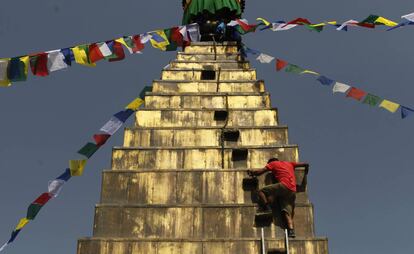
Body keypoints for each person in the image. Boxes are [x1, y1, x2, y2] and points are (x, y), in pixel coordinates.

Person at [247, 158, 309, 238]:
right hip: (292, 190)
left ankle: (267, 208)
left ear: (271, 162)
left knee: (261, 192)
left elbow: (260, 172)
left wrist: (252, 173)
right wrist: (306, 171)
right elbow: (305, 164)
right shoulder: (289, 163)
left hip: (283, 185)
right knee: (286, 212)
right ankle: (291, 231)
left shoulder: (273, 164)